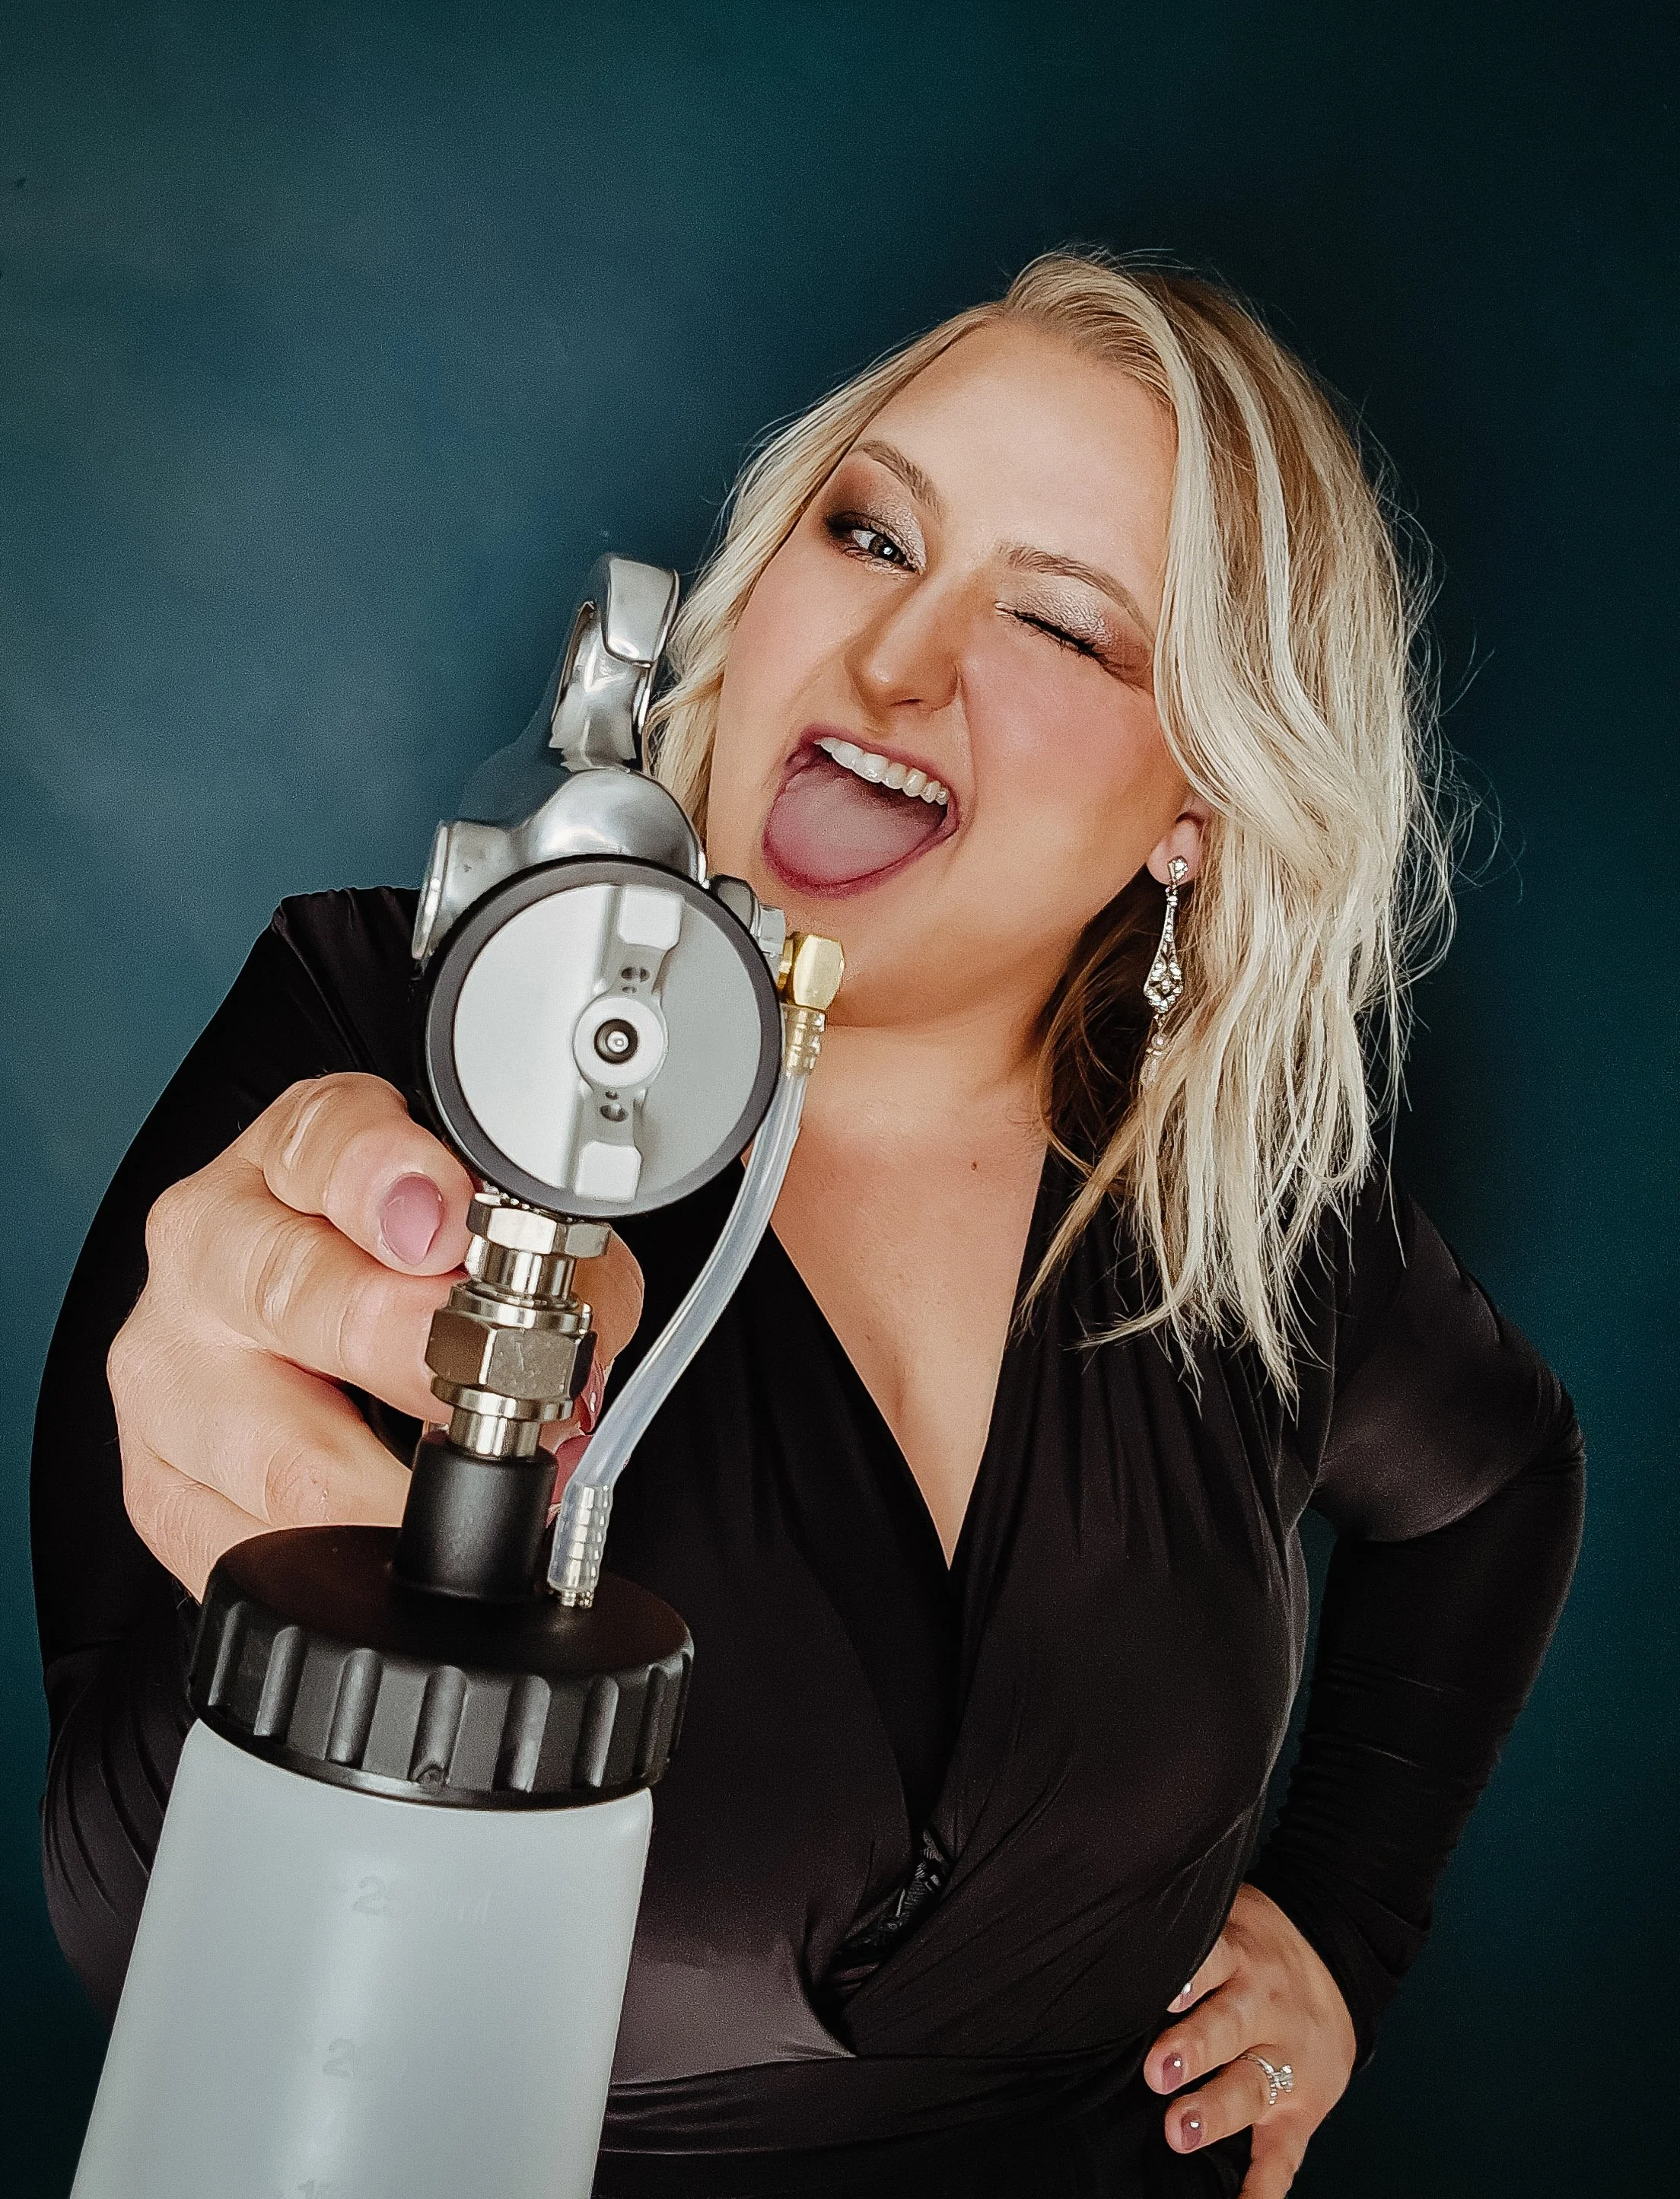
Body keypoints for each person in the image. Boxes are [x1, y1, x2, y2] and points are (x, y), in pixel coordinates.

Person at [31, 253, 1583, 2199]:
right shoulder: (396, 1033)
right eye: (870, 531)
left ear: (1198, 803)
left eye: (1057, 621)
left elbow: (1502, 1475)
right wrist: (291, 1564)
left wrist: (1346, 1927)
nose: (896, 662)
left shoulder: (1233, 1209)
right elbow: (128, 1919)